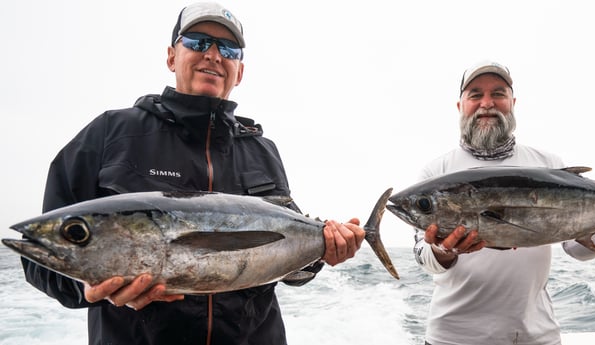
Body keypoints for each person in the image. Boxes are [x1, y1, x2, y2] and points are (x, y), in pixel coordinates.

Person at [22, 3, 366, 344]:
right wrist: (90, 286)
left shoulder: (262, 150)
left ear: (239, 71)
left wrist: (322, 252)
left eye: (228, 48)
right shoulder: (110, 133)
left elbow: (282, 260)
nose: (214, 55)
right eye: (199, 42)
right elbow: (41, 259)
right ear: (172, 56)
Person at [413, 60, 595, 345]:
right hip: (455, 337)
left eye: (498, 93)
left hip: (537, 336)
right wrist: (443, 251)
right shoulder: (435, 174)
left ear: (512, 102)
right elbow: (425, 259)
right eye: (475, 94)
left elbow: (578, 250)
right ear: (460, 106)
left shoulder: (548, 164)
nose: (487, 103)